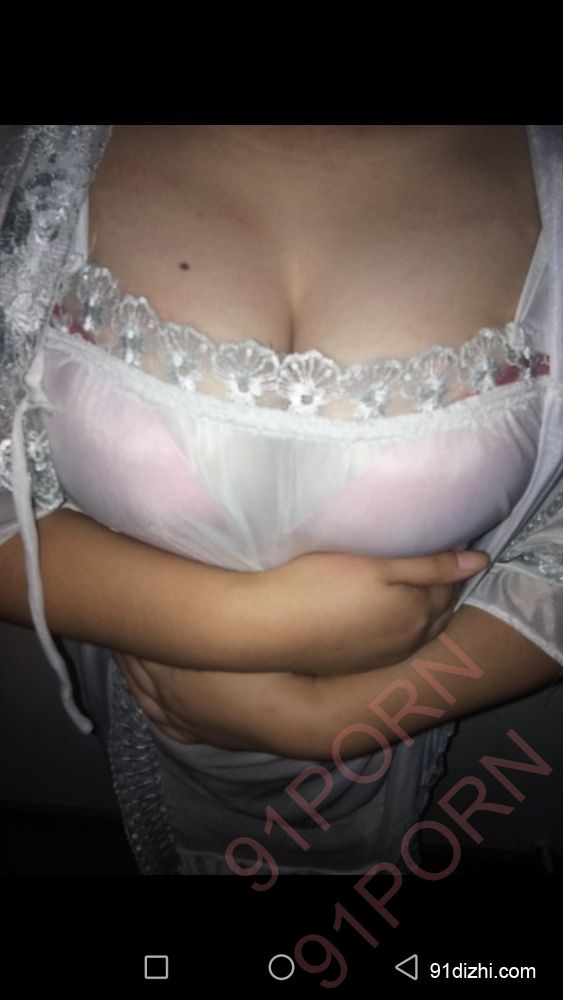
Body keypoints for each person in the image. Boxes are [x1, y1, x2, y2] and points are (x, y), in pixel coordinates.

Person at [0, 124, 562, 876]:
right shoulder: (43, 163)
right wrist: (239, 624)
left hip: (385, 740)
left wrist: (340, 720)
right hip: (151, 698)